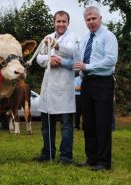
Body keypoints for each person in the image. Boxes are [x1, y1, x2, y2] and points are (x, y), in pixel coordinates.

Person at [74, 6, 118, 171]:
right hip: (87, 83)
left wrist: (87, 66)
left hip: (103, 82)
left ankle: (104, 162)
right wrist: (79, 68)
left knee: (103, 123)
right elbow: (79, 59)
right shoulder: (84, 39)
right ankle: (91, 158)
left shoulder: (109, 36)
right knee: (89, 122)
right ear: (85, 21)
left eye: (93, 18)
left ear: (100, 18)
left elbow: (111, 60)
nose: (91, 22)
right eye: (88, 19)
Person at [33, 11, 76, 164]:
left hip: (64, 86)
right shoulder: (48, 37)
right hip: (49, 86)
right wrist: (49, 59)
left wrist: (57, 46)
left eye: (64, 21)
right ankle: (48, 152)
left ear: (68, 23)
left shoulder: (73, 38)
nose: (61, 24)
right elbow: (39, 57)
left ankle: (66, 156)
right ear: (54, 22)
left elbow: (73, 54)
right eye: (58, 21)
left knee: (66, 125)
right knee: (47, 124)